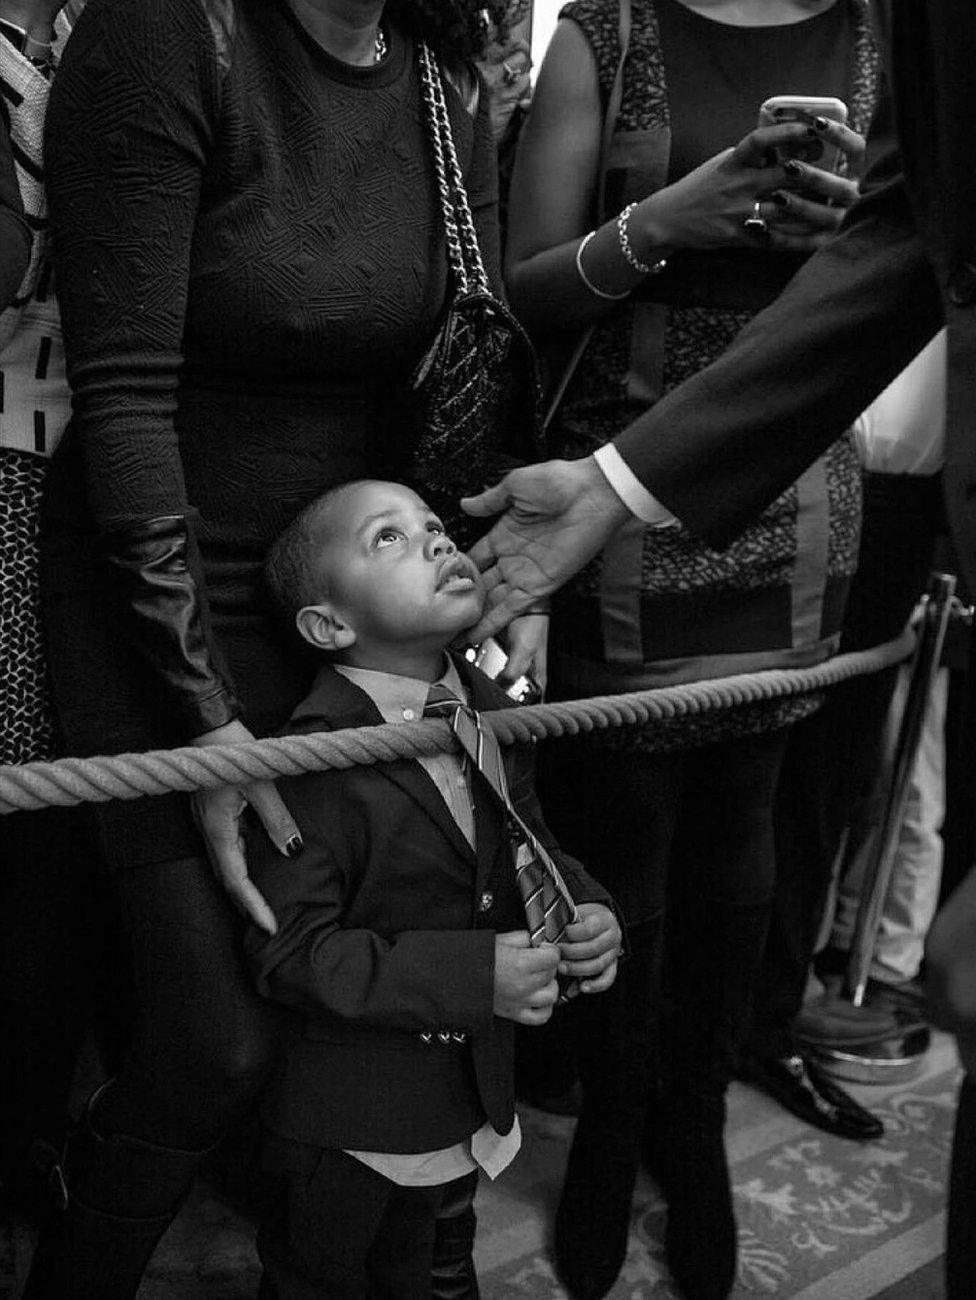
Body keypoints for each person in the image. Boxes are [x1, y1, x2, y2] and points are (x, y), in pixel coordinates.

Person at [461, 6, 976, 1297]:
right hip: (620, 474)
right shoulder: (611, 27)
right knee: (624, 838)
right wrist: (667, 221)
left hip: (798, 485)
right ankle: (611, 1136)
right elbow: (518, 284)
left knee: (749, 830)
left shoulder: (883, 29)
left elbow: (913, 256)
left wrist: (839, 241)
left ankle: (692, 1135)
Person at [27, 2, 528, 1296]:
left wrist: (444, 602)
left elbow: (437, 353)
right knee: (219, 1033)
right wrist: (204, 722)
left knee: (375, 962)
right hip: (156, 592)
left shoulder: (435, 72)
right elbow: (127, 398)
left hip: (347, 596)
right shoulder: (163, 34)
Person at [242, 478, 621, 1299]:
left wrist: (587, 908)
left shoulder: (492, 712)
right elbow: (293, 955)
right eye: (388, 538)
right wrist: (474, 977)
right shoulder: (308, 760)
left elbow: (531, 845)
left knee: (438, 1268)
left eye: (435, 526)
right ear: (329, 623)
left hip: (471, 1093)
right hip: (352, 1119)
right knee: (319, 1278)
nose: (438, 542)